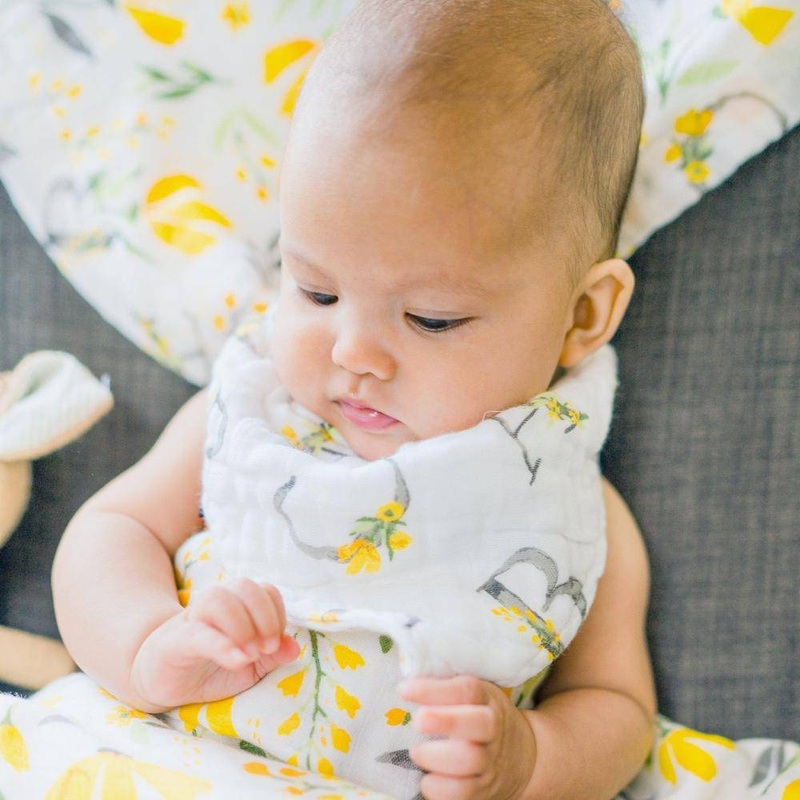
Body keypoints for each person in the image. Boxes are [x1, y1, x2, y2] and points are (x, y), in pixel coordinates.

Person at [49, 1, 655, 798]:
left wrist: (531, 758)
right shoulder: (257, 418)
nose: (352, 354)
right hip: (164, 766)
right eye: (317, 290)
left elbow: (618, 709)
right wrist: (147, 647)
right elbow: (108, 531)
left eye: (431, 318)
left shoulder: (568, 508)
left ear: (581, 317)